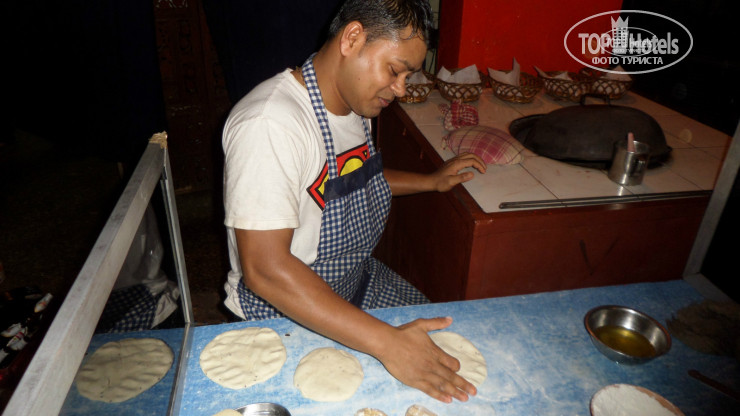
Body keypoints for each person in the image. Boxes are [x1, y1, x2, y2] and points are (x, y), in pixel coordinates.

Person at [221, 0, 486, 403]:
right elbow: (265, 270)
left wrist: (430, 182)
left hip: (355, 282)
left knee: (451, 352)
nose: (400, 90)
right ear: (352, 39)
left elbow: (353, 180)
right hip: (285, 311)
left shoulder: (351, 104)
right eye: (395, 71)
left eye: (407, 76)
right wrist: (387, 343)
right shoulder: (270, 125)